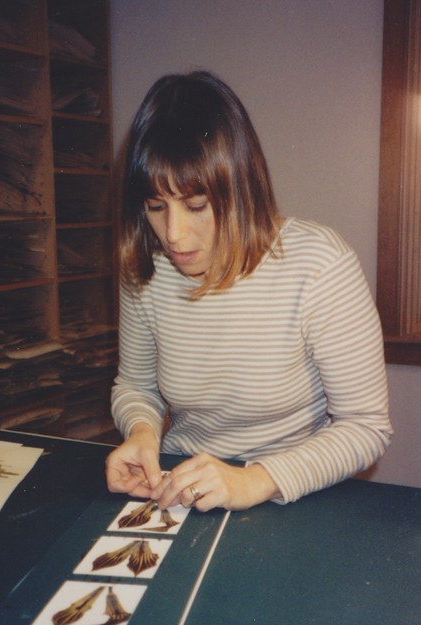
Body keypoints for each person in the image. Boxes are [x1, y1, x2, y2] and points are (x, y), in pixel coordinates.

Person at [105, 70, 392, 512]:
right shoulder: (148, 266)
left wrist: (253, 481)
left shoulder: (318, 263)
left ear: (240, 189)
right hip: (181, 489)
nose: (174, 235)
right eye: (156, 207)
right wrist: (143, 432)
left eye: (196, 206)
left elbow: (366, 426)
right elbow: (137, 385)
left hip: (291, 494)